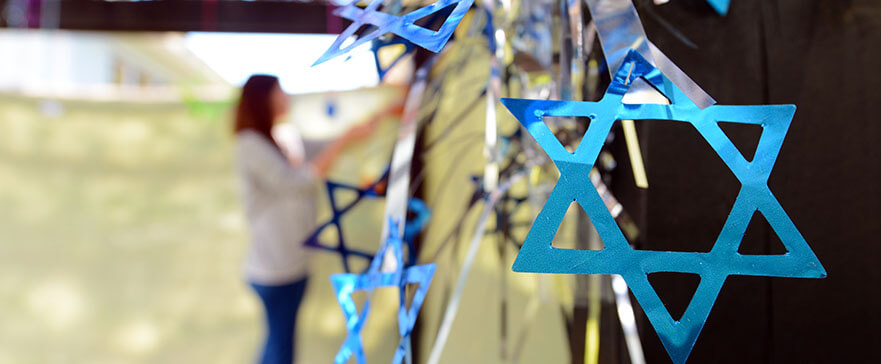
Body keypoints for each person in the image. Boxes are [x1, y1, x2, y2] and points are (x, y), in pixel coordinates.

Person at [233, 74, 375, 364]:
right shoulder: (250, 144)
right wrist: (344, 140)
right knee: (280, 347)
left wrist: (372, 121)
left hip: (293, 265)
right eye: (279, 92)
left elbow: (324, 147)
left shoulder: (281, 137)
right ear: (264, 99)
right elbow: (299, 181)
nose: (286, 97)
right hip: (274, 270)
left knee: (278, 343)